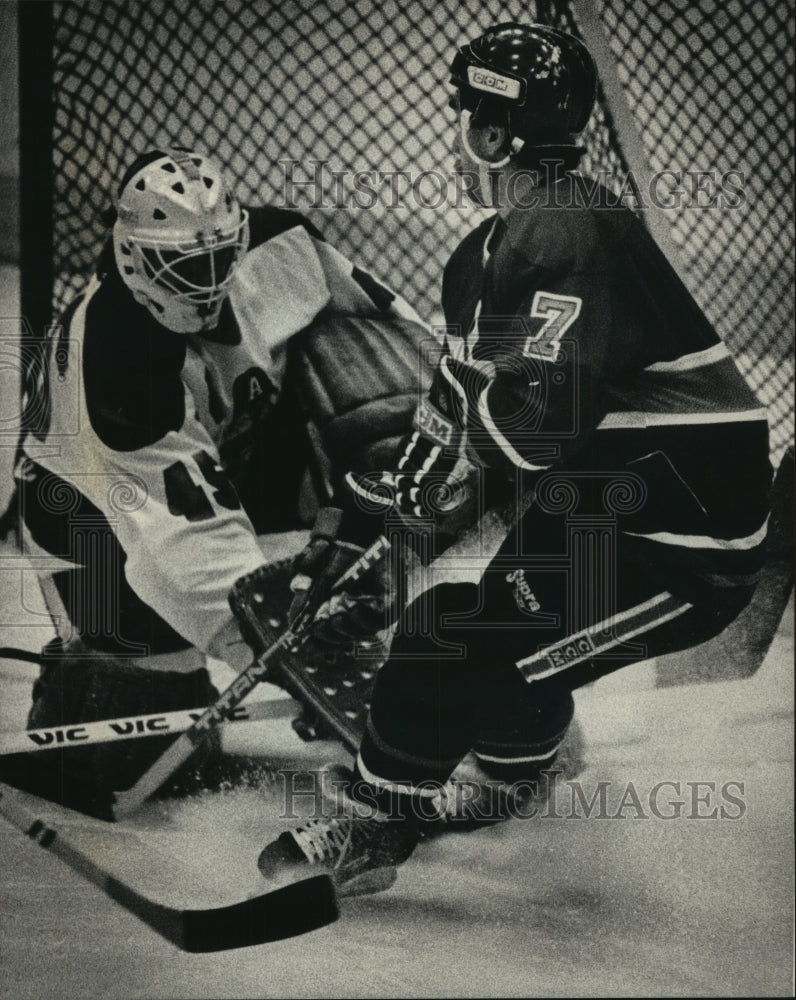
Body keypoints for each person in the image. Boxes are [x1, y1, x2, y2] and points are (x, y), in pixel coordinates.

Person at [256, 22, 773, 893]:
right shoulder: (493, 250)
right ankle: (511, 781)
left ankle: (375, 833)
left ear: (493, 132)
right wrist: (368, 534)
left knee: (450, 636)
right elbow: (458, 418)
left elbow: (533, 429)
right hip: (610, 503)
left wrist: (407, 510)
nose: (457, 133)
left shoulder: (567, 233)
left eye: (464, 115)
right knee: (498, 635)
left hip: (689, 543)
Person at [16, 147, 430, 796]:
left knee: (380, 413)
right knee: (135, 737)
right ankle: (87, 691)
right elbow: (190, 549)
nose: (206, 282)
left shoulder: (281, 243)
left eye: (217, 259)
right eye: (183, 266)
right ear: (132, 255)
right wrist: (295, 652)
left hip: (232, 456)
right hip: (87, 515)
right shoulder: (118, 362)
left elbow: (400, 337)